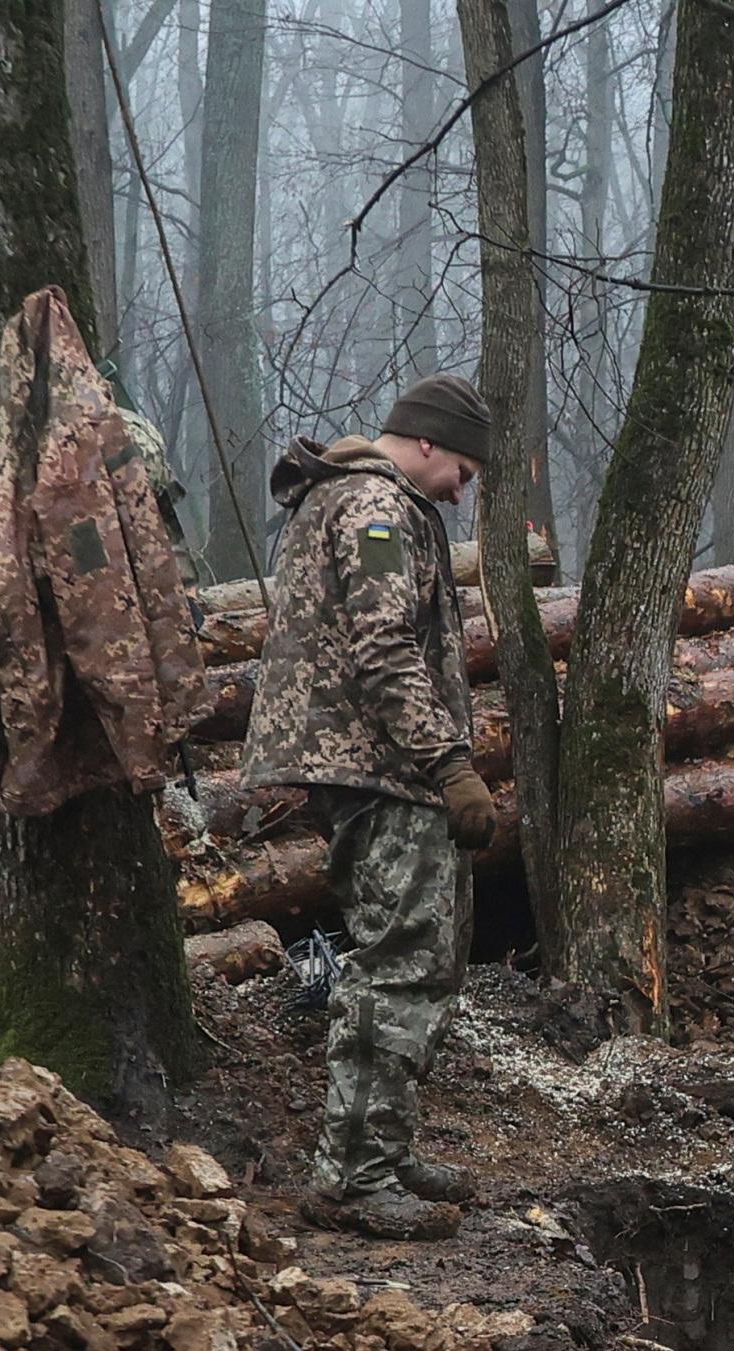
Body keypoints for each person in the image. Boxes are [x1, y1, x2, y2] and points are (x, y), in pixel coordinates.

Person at [242, 373, 502, 1242]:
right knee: (397, 959)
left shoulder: (355, 500)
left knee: (421, 954)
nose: (463, 491)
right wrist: (450, 765)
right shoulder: (376, 511)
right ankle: (356, 1174)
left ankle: (382, 1148)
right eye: (462, 470)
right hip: (381, 768)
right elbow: (385, 647)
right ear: (426, 441)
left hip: (375, 765)